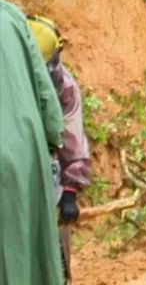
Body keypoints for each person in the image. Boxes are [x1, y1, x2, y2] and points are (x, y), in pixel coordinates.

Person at [0, 0, 66, 285]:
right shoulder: (11, 16)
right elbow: (47, 99)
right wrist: (50, 141)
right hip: (24, 153)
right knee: (22, 251)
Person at [27, 16, 92, 282]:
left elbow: (72, 136)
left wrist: (70, 192)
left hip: (49, 178)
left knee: (54, 254)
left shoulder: (64, 86)